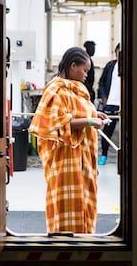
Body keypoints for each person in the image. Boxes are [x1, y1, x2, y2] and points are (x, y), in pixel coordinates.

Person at [28, 46, 108, 234]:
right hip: (66, 160)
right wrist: (89, 120)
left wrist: (94, 113)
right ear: (73, 66)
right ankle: (64, 243)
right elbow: (55, 122)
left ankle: (84, 239)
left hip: (83, 160)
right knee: (68, 204)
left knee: (84, 200)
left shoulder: (75, 90)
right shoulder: (56, 90)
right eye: (85, 70)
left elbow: (74, 112)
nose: (86, 75)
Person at [97, 43, 121, 166]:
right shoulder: (111, 65)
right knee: (107, 132)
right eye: (118, 51)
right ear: (115, 52)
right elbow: (101, 82)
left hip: (124, 105)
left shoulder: (132, 64)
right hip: (111, 104)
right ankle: (104, 154)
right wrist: (104, 97)